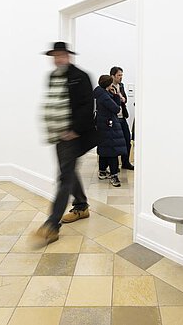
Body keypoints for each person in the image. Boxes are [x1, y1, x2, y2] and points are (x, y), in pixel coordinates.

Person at [35, 41, 95, 245]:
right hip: (57, 134)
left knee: (64, 177)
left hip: (72, 136)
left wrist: (75, 130)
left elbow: (87, 106)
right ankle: (82, 205)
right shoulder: (52, 76)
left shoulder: (80, 76)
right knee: (68, 172)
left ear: (69, 56)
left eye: (61, 55)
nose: (58, 59)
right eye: (55, 56)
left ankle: (52, 224)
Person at [95, 75, 127, 187]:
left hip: (102, 124)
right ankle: (114, 176)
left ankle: (102, 171)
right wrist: (116, 95)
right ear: (108, 84)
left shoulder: (99, 92)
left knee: (104, 148)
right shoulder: (104, 96)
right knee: (113, 150)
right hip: (109, 125)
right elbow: (116, 108)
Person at [110, 66, 134, 170]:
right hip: (114, 118)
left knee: (127, 139)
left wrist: (122, 98)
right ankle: (114, 166)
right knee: (115, 142)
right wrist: (118, 97)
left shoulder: (121, 86)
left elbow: (125, 99)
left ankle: (126, 162)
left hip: (122, 116)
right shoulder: (109, 86)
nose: (121, 77)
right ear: (113, 76)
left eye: (121, 75)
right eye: (119, 75)